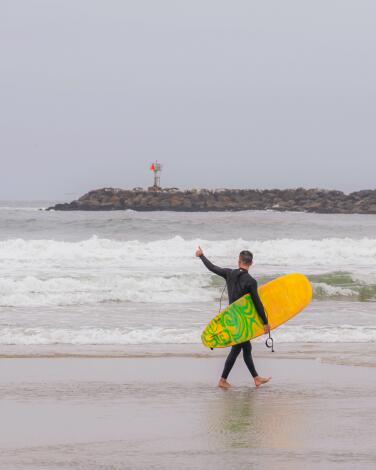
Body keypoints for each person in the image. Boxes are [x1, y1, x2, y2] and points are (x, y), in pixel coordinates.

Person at [196, 246, 271, 388]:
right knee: (239, 349)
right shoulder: (251, 281)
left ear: (239, 261)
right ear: (251, 263)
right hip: (242, 321)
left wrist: (201, 255)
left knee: (245, 348)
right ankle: (224, 380)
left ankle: (255, 378)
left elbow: (212, 267)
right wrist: (265, 322)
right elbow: (257, 303)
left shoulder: (229, 273)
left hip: (232, 318)